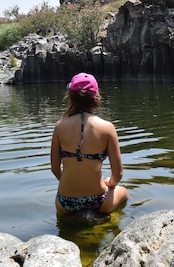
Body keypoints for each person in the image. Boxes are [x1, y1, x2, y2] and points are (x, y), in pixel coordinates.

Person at [50, 72, 129, 215]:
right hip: (99, 201)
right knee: (124, 192)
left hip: (65, 202)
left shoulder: (59, 126)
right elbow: (118, 173)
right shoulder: (107, 127)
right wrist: (110, 184)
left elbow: (55, 168)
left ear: (70, 96)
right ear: (96, 97)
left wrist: (69, 185)